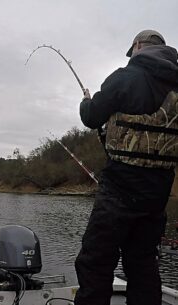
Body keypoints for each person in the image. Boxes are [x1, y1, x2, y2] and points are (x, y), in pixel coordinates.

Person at [74, 30, 178, 305]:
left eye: (132, 52)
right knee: (143, 263)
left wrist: (86, 100)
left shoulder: (124, 77)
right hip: (158, 194)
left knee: (95, 262)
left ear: (137, 47)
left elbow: (91, 117)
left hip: (119, 189)